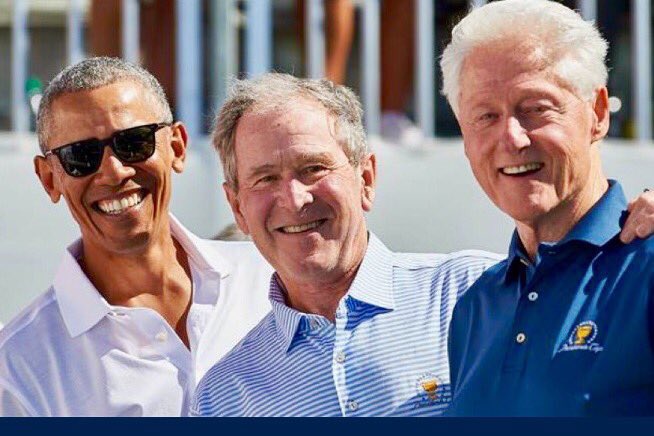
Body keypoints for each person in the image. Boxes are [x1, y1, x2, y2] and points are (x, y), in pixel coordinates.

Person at [190, 73, 502, 416]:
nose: (294, 199)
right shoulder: (223, 399)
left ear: (365, 179)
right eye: (265, 179)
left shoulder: (476, 292)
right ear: (237, 208)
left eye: (313, 168)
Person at [0, 57, 272, 416]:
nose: (114, 172)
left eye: (133, 142)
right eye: (80, 156)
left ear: (176, 147)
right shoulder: (17, 370)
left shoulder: (271, 281)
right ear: (49, 178)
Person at [440, 0, 654, 416]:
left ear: (597, 112)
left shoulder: (645, 267)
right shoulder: (474, 309)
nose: (512, 138)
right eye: (485, 116)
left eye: (536, 109)